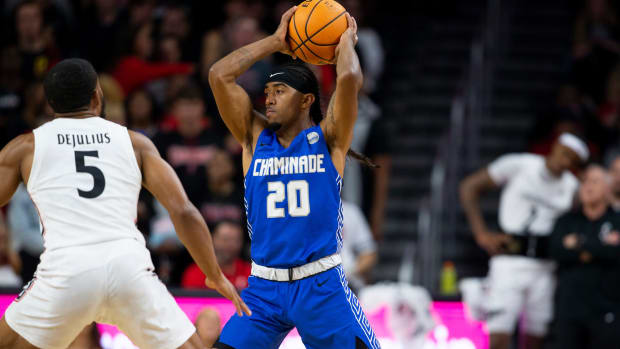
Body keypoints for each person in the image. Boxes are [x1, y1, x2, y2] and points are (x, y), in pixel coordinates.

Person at [0, 58, 249, 349]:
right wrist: (214, 274)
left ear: (50, 104)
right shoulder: (134, 143)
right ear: (97, 95)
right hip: (128, 269)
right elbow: (184, 212)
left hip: (67, 273)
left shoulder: (26, 147)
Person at [208, 7, 380, 349]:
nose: (268, 98)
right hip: (264, 288)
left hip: (319, 284)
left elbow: (348, 80)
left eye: (280, 91)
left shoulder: (328, 139)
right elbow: (219, 75)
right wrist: (274, 41)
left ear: (306, 100)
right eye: (268, 92)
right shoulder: (254, 138)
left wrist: (345, 40)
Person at [459, 133, 587, 349]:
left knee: (535, 339)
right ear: (554, 146)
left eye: (571, 161)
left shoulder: (572, 187)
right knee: (499, 335)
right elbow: (469, 187)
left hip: (545, 267)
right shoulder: (519, 164)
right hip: (509, 261)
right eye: (564, 154)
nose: (564, 161)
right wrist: (481, 233)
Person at [549, 165, 620, 349]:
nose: (588, 187)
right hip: (570, 309)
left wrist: (578, 244)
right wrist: (600, 246)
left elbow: (615, 253)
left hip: (606, 309)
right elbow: (556, 251)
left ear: (608, 189)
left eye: (594, 182)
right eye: (585, 181)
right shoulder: (566, 221)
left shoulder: (616, 220)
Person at [182, 220, 251, 290]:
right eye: (225, 239)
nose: (230, 245)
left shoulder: (251, 273)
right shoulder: (195, 273)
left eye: (236, 240)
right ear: (212, 239)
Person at [341, 201, 378, 293]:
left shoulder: (349, 211)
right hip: (315, 287)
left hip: (349, 285)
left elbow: (369, 255)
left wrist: (350, 271)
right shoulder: (306, 211)